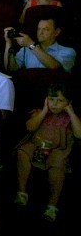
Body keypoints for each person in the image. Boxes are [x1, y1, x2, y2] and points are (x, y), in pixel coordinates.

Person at [14, 83, 80, 222]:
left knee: (57, 167)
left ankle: (52, 205)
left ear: (68, 102)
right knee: (23, 151)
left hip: (58, 150)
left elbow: (79, 134)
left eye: (60, 100)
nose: (55, 104)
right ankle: (22, 192)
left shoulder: (70, 118)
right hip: (38, 144)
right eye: (51, 99)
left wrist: (71, 113)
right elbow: (30, 128)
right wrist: (44, 111)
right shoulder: (40, 113)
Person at [4, 18, 76, 73]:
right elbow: (11, 69)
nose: (40, 33)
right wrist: (8, 42)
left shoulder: (68, 51)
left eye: (46, 29)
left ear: (56, 32)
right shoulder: (26, 49)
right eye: (39, 29)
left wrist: (31, 45)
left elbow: (55, 69)